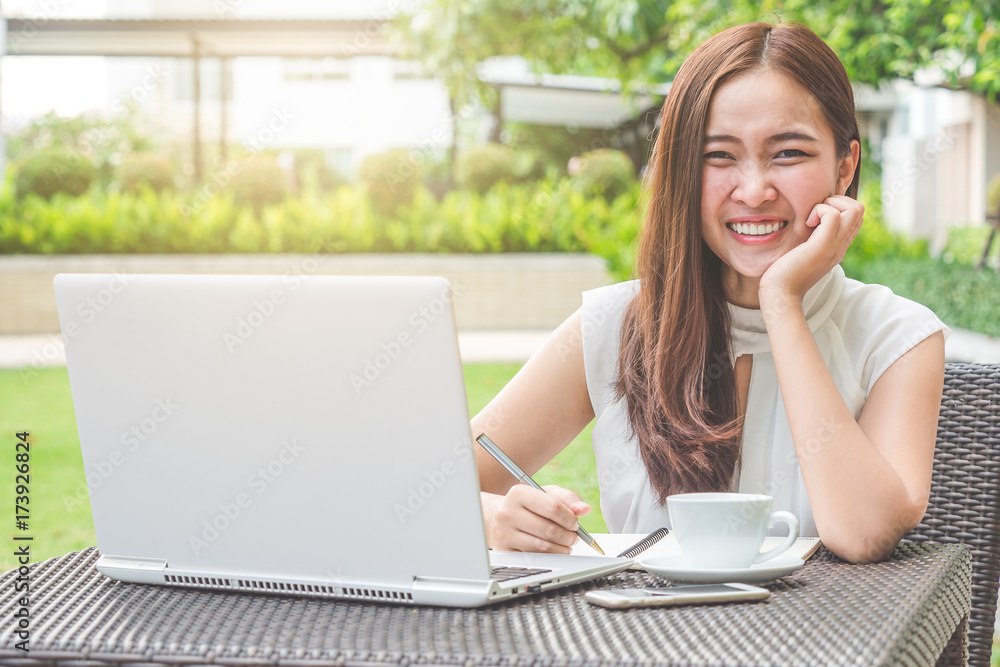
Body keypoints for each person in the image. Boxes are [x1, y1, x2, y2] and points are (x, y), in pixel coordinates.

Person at [470, 21, 948, 565]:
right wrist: (495, 518)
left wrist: (782, 301)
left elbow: (863, 533)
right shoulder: (613, 325)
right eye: (719, 156)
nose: (753, 190)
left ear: (845, 168)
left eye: (788, 153)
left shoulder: (898, 336)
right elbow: (424, 491)